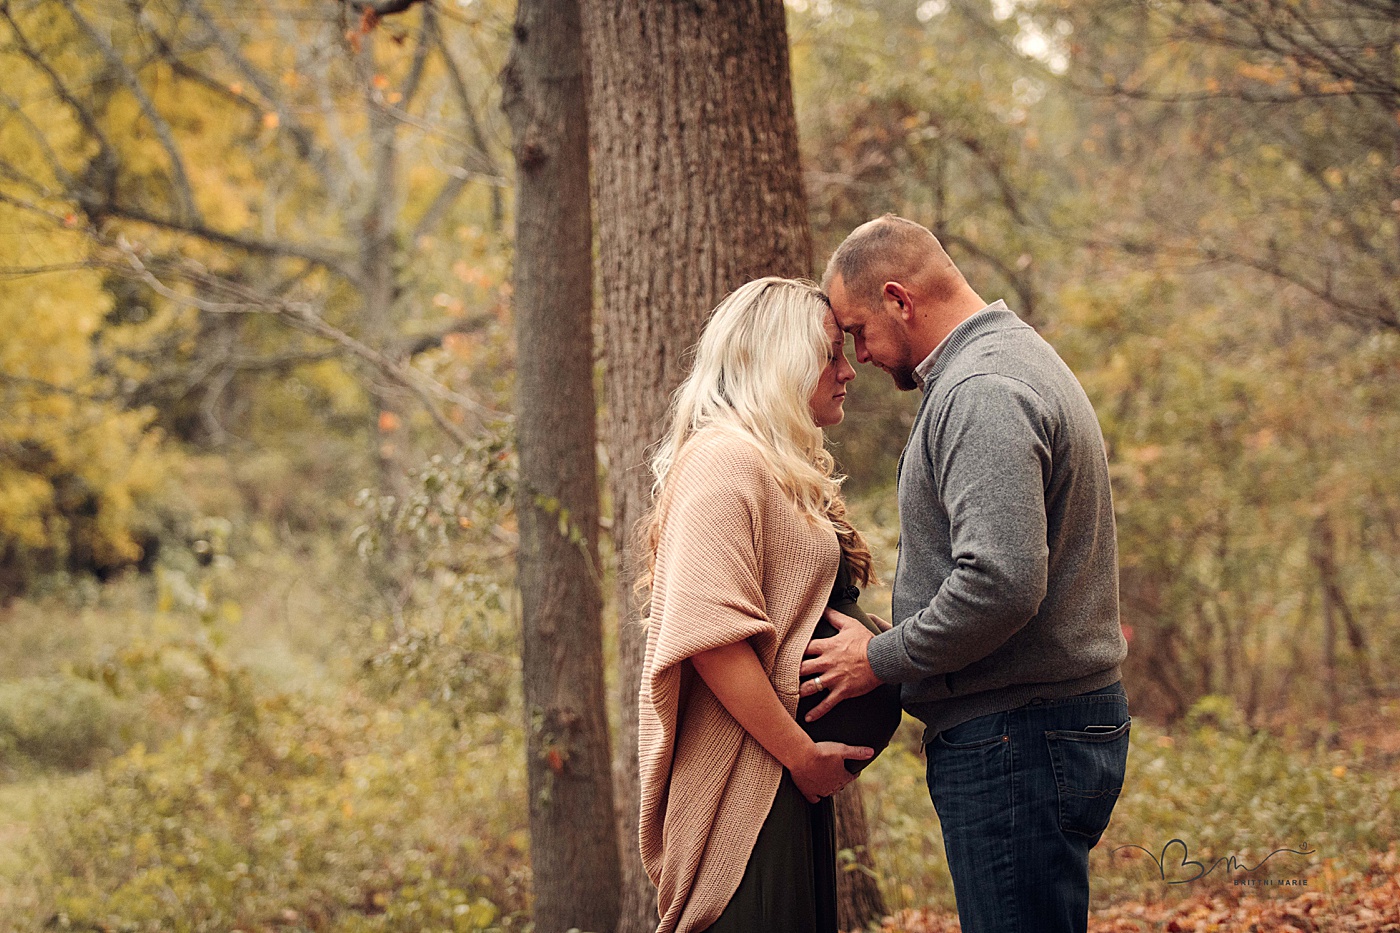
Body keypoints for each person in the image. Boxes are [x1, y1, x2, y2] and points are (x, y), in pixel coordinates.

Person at [800, 215, 1131, 933]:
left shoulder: (981, 390)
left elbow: (1002, 580)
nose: (858, 354)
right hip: (1037, 731)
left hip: (1018, 737)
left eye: (858, 329)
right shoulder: (1008, 361)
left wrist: (877, 658)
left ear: (900, 299)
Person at [637, 276, 902, 933]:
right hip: (751, 777)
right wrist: (799, 754)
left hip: (784, 776)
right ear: (780, 360)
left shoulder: (773, 466)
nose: (847, 371)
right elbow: (710, 639)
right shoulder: (724, 461)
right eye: (829, 353)